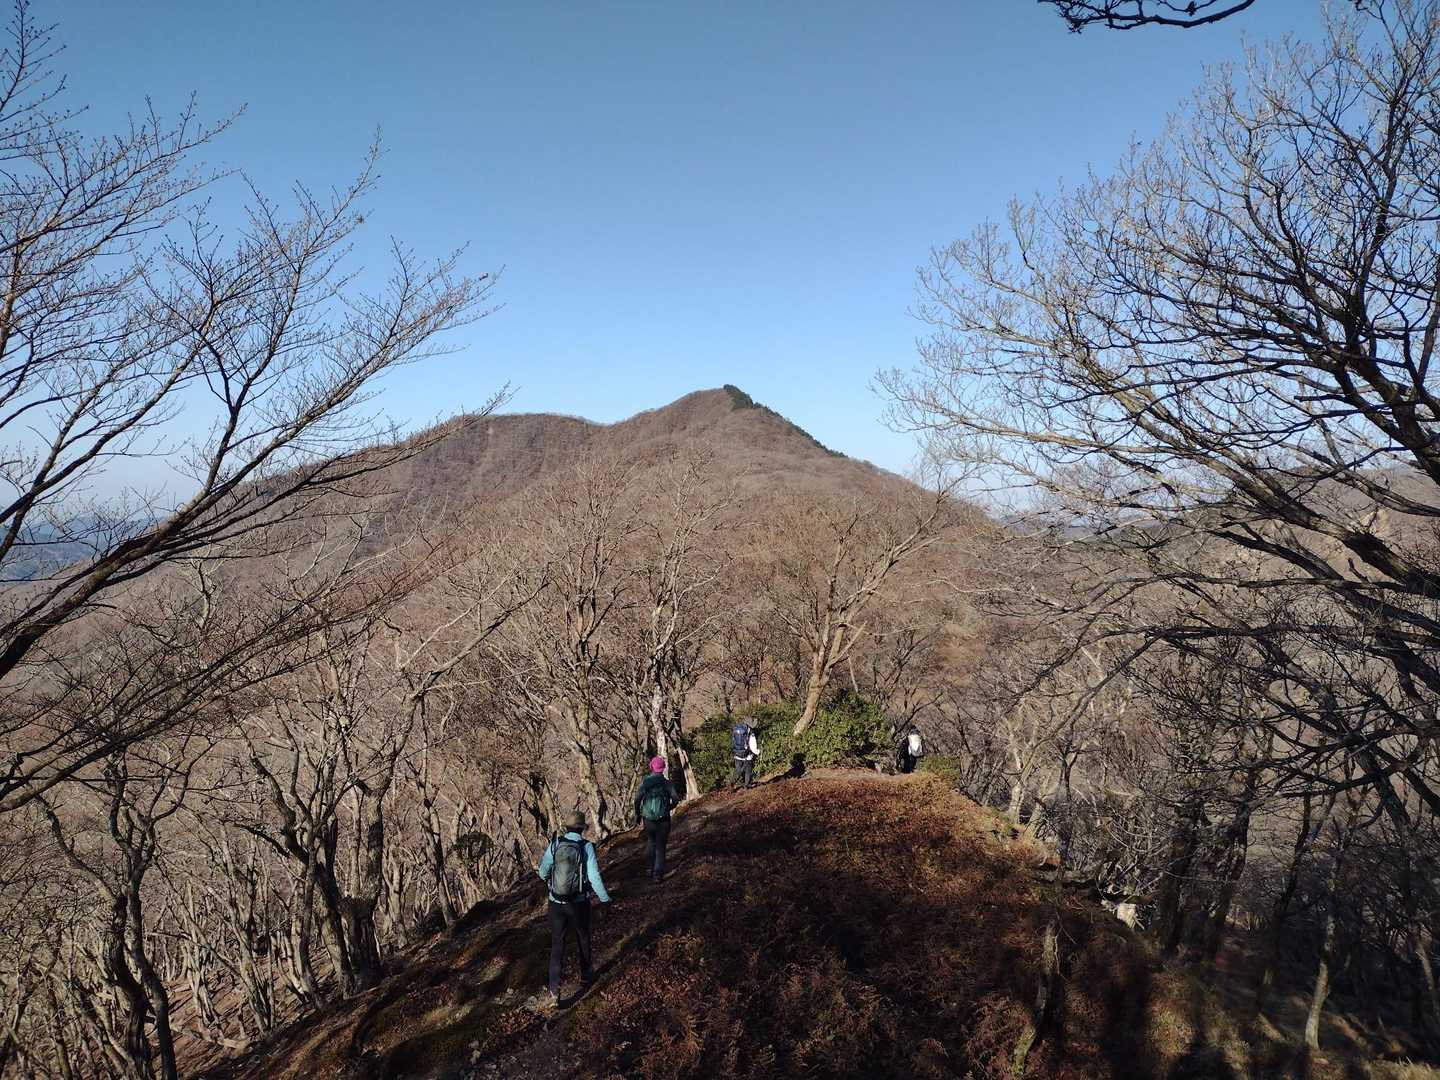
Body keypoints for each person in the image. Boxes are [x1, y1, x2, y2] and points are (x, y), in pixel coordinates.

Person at [536, 809, 611, 1008]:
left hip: (556, 902)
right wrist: (605, 898)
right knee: (583, 937)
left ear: (567, 827)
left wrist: (551, 882)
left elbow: (542, 871)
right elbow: (594, 876)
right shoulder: (587, 847)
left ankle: (554, 991)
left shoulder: (555, 844)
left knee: (557, 945)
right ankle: (586, 976)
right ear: (581, 829)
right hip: (579, 903)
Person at [634, 755, 681, 882]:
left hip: (648, 819)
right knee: (661, 846)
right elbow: (676, 799)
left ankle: (649, 869)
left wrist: (638, 814)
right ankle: (657, 875)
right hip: (663, 819)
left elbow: (637, 799)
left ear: (651, 767)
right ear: (663, 768)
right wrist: (668, 808)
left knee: (651, 842)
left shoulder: (645, 782)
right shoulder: (667, 783)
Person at [729, 719, 760, 790]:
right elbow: (753, 747)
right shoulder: (751, 733)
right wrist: (758, 752)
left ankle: (732, 783)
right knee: (748, 770)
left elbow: (733, 742)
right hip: (747, 755)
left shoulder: (737, 729)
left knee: (738, 770)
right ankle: (747, 785)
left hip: (737, 754)